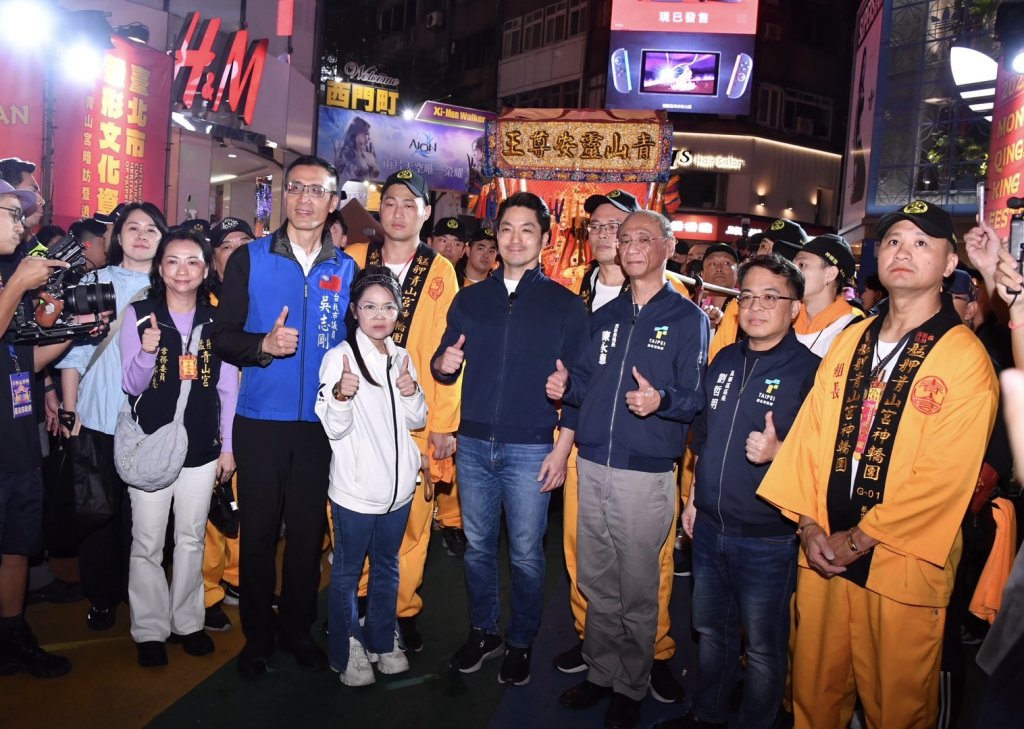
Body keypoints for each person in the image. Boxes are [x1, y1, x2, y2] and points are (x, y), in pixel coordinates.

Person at [756, 201, 999, 728]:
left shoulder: (964, 359)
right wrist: (808, 523)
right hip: (822, 554)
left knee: (898, 708)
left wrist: (857, 539)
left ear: (949, 263)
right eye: (892, 241)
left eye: (920, 242)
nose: (902, 252)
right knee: (813, 696)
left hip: (901, 565)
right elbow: (810, 438)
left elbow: (943, 480)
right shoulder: (851, 340)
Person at [550, 210, 707, 729]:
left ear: (667, 246)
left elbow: (697, 397)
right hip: (592, 463)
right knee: (596, 580)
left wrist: (660, 399)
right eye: (625, 239)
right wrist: (563, 389)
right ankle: (599, 671)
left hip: (645, 473)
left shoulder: (688, 319)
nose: (632, 246)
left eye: (644, 238)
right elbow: (586, 383)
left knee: (638, 587)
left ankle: (630, 685)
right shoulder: (606, 316)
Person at [432, 191, 588, 686]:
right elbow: (442, 360)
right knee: (478, 548)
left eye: (527, 229)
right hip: (474, 444)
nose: (515, 238)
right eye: (506, 228)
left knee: (525, 552)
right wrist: (444, 364)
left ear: (544, 239)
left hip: (533, 446)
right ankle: (484, 631)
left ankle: (521, 638)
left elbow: (584, 382)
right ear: (495, 237)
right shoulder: (470, 298)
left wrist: (567, 397)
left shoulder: (565, 305)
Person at [212, 155, 357, 677]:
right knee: (257, 533)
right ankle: (258, 637)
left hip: (319, 425)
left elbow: (356, 343)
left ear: (333, 201)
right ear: (283, 194)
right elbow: (222, 336)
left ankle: (297, 628)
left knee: (307, 532)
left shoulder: (346, 268)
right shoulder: (250, 258)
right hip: (260, 422)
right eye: (296, 188)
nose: (305, 199)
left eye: (317, 190)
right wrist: (264, 345)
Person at [660, 255, 820, 729]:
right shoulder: (726, 358)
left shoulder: (810, 372)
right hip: (709, 527)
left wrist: (780, 451)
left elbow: (822, 455)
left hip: (768, 536)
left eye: (771, 297)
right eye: (747, 296)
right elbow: (704, 437)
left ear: (794, 308)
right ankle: (706, 715)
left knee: (765, 650)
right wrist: (691, 501)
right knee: (712, 633)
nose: (755, 306)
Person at [344, 169, 461, 652]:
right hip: (354, 420)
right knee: (352, 518)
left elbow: (452, 354)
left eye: (409, 204)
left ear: (426, 213)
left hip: (413, 421)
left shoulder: (440, 272)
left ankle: (401, 607)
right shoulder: (351, 259)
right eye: (390, 202)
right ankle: (361, 601)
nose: (398, 212)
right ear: (379, 208)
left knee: (412, 523)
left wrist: (444, 425)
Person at [118, 230, 238, 667]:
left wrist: (227, 446)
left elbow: (228, 386)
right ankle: (149, 629)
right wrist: (148, 352)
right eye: (172, 261)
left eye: (192, 262)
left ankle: (187, 622)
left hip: (202, 447)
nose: (182, 270)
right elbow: (130, 384)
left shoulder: (217, 320)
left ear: (205, 270)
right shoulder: (139, 314)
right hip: (152, 444)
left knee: (189, 538)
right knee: (147, 541)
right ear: (160, 267)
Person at [57, 202, 169, 632]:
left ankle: (136, 591)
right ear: (117, 237)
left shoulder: (170, 286)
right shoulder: (93, 282)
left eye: (151, 229)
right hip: (99, 416)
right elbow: (75, 349)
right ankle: (102, 596)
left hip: (149, 423)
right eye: (133, 228)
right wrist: (71, 409)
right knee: (99, 513)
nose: (142, 235)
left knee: (143, 516)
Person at [316, 267, 427, 686]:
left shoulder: (401, 356)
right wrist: (342, 394)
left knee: (387, 567)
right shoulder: (340, 357)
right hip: (356, 492)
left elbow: (418, 419)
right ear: (354, 310)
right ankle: (347, 651)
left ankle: (382, 640)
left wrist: (412, 391)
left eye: (387, 306)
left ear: (398, 311)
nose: (379, 315)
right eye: (369, 307)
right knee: (346, 572)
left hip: (399, 492)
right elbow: (333, 427)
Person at [0, 179, 76, 678]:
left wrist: (74, 331)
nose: (19, 222)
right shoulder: (12, 279)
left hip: (18, 434)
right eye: (9, 212)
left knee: (16, 545)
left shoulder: (10, 274)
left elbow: (22, 358)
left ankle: (12, 639)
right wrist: (18, 286)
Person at [201, 215, 254, 633]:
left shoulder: (266, 302)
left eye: (244, 243)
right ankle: (206, 590)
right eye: (226, 245)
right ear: (213, 258)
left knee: (248, 507)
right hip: (214, 427)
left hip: (257, 424)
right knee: (211, 512)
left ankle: (238, 580)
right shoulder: (203, 309)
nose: (236, 252)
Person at [792, 234, 863, 356]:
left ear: (830, 274)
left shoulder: (853, 331)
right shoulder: (786, 319)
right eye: (792, 265)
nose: (792, 272)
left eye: (802, 265)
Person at [335, 116, 380, 182]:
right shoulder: (344, 156)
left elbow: (375, 175)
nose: (368, 138)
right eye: (366, 134)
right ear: (356, 133)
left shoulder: (369, 156)